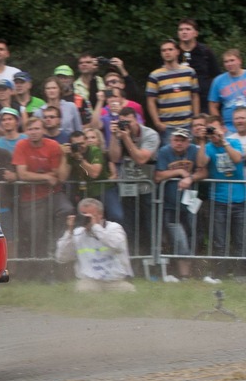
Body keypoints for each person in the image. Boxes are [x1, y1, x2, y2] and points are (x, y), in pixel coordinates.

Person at [12, 117, 73, 259]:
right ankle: (41, 267)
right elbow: (22, 174)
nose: (34, 132)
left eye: (37, 128)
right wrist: (46, 177)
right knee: (38, 233)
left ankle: (57, 247)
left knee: (67, 210)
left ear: (44, 130)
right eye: (31, 129)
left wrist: (64, 158)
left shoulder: (53, 145)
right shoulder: (21, 145)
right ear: (26, 131)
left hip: (53, 193)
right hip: (30, 197)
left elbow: (59, 176)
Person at [153, 128, 204, 281]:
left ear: (188, 141)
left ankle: (189, 274)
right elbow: (158, 176)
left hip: (190, 204)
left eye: (183, 140)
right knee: (180, 239)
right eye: (176, 139)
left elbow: (204, 171)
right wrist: (180, 172)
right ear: (171, 140)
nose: (179, 143)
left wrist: (190, 178)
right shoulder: (164, 151)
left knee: (193, 237)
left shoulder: (195, 150)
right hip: (170, 205)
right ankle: (184, 275)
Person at [197, 119, 244, 280]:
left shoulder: (234, 142)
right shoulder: (208, 147)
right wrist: (202, 142)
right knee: (219, 241)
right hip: (218, 201)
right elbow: (201, 163)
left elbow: (237, 159)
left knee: (240, 240)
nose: (214, 134)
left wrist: (223, 141)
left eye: (215, 130)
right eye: (210, 131)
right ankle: (220, 274)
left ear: (223, 129)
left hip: (240, 200)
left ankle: (240, 275)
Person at [108, 109, 160, 256]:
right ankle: (131, 264)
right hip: (127, 189)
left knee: (149, 228)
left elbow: (141, 159)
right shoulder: (120, 134)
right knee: (128, 228)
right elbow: (114, 157)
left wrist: (126, 138)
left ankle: (151, 264)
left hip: (147, 189)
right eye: (122, 122)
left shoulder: (150, 134)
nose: (126, 126)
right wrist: (113, 136)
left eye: (129, 122)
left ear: (136, 120)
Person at [55, 198, 134, 292]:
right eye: (83, 214)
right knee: (84, 291)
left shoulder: (114, 228)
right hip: (90, 282)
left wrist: (96, 227)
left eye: (90, 215)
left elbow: (116, 244)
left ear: (100, 215)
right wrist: (69, 232)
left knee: (129, 292)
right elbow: (61, 257)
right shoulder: (77, 233)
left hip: (115, 280)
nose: (86, 218)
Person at [146, 39, 199, 136]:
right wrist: (157, 122)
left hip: (188, 123)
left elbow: (195, 96)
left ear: (177, 52)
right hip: (167, 126)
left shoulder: (189, 72)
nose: (167, 52)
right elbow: (150, 101)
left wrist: (196, 119)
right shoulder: (155, 76)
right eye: (164, 50)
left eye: (170, 49)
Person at [176, 18, 218, 108]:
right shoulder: (173, 52)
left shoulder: (205, 52)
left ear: (196, 33)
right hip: (180, 99)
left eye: (188, 29)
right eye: (181, 30)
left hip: (204, 98)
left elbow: (216, 75)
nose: (184, 32)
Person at [208, 48, 246, 129]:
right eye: (226, 61)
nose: (229, 64)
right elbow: (213, 105)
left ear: (239, 61)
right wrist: (218, 124)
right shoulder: (218, 81)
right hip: (229, 127)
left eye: (232, 60)